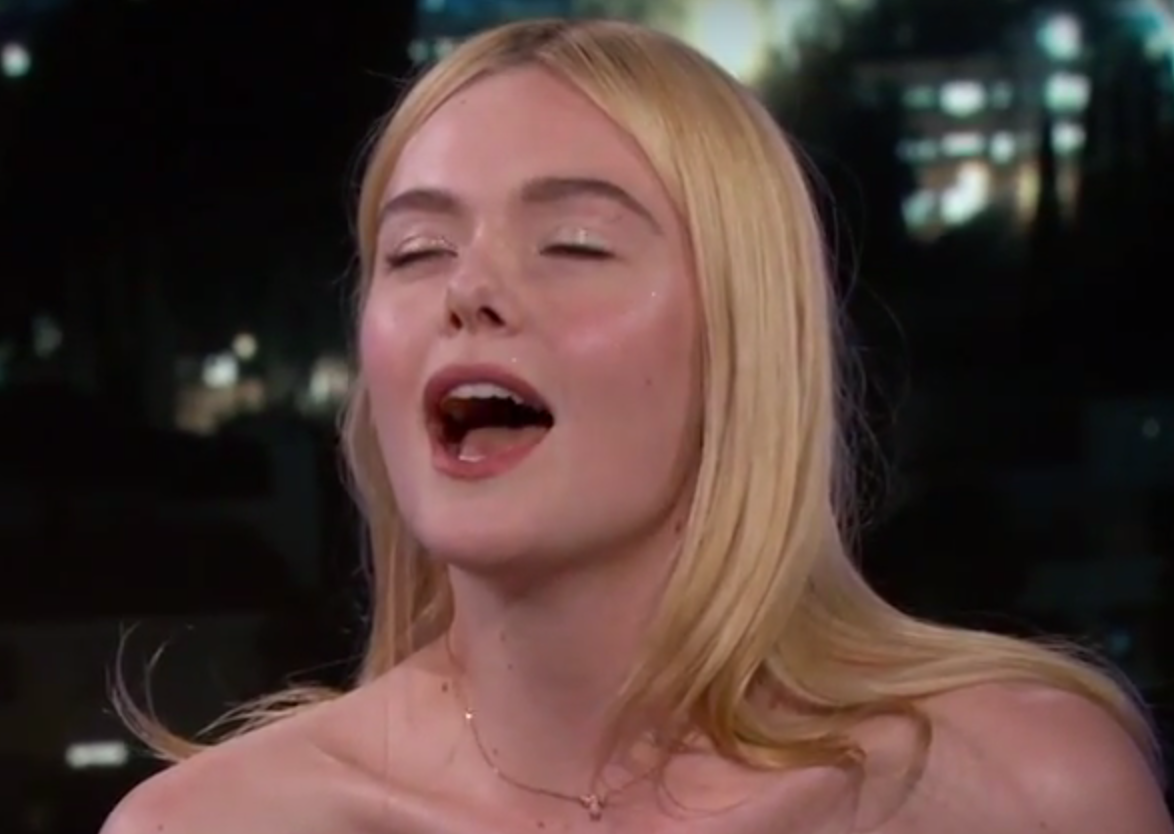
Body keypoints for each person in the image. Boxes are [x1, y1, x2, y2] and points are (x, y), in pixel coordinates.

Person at [102, 17, 1170, 834]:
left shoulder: (1024, 792)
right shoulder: (205, 826)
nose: (468, 291)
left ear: (743, 338)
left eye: (573, 243)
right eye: (416, 252)